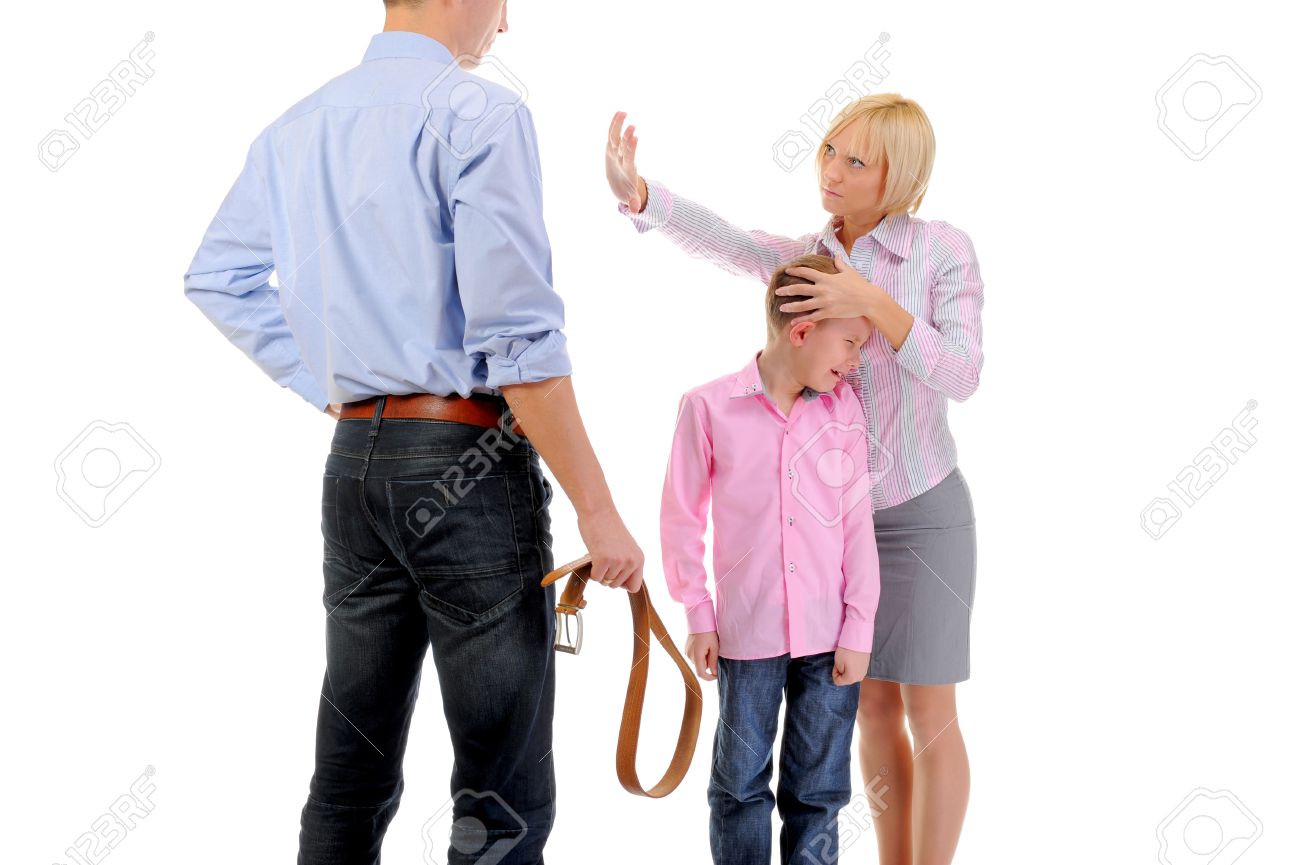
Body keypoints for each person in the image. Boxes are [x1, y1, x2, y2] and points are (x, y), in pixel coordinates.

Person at [183, 3, 644, 863]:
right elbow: (519, 346)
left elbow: (218, 277)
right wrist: (599, 509)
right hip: (466, 464)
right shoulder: (482, 115)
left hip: (355, 467)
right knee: (500, 799)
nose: (505, 26)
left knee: (348, 777)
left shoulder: (298, 125)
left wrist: (334, 385)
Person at [608, 92, 984, 865]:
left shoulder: (942, 250)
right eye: (829, 151)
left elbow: (963, 373)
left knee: (931, 711)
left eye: (856, 160)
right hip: (831, 527)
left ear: (898, 176)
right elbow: (731, 242)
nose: (832, 171)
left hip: (921, 510)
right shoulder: (810, 257)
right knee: (870, 707)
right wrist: (644, 197)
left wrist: (869, 302)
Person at [661, 254, 882, 865]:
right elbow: (681, 519)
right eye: (850, 344)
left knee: (819, 791)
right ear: (802, 331)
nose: (856, 362)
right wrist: (699, 616)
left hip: (829, 635)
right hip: (745, 632)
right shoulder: (707, 407)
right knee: (739, 786)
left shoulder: (844, 412)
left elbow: (856, 524)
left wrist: (859, 626)